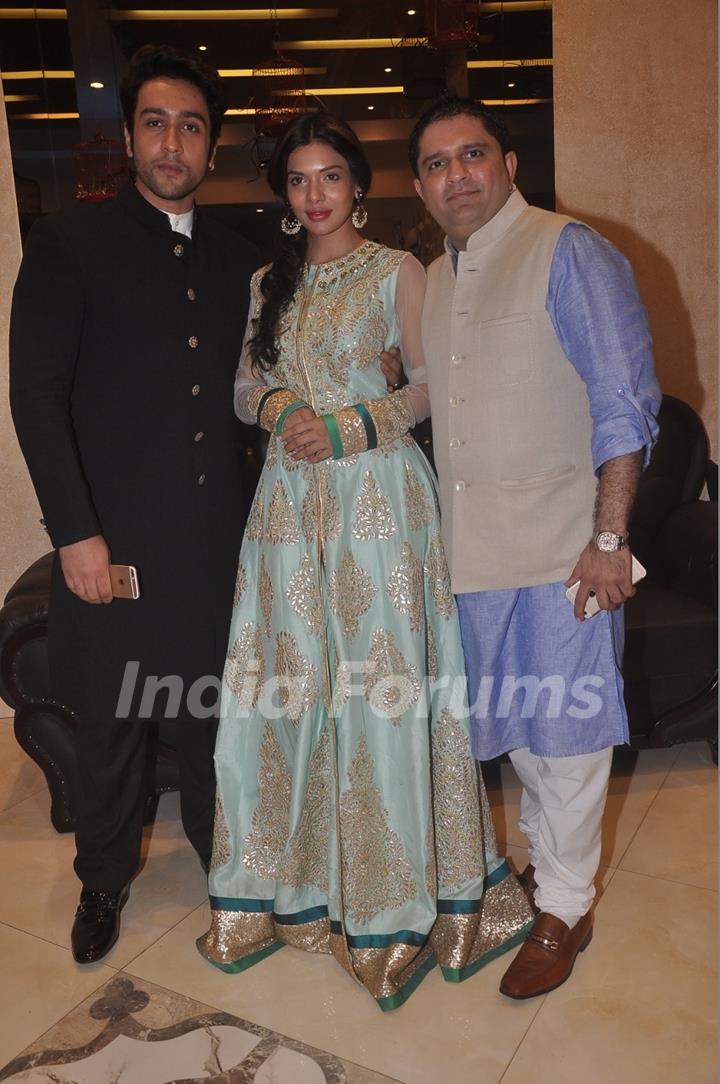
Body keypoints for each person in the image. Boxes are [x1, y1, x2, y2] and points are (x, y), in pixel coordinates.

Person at [197, 111, 533, 1011]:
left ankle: (395, 902)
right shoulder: (268, 281)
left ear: (359, 185)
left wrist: (345, 423)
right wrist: (278, 412)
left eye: (330, 177)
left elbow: (429, 386)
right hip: (286, 511)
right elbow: (239, 385)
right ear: (285, 195)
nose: (315, 195)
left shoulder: (399, 272)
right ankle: (292, 891)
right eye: (299, 181)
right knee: (289, 688)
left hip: (378, 503)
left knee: (380, 689)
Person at [409, 96, 661, 999]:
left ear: (507, 162)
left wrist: (608, 535)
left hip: (565, 550)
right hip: (474, 559)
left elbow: (625, 401)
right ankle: (548, 873)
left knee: (571, 738)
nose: (456, 176)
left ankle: (563, 906)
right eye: (437, 164)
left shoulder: (567, 249)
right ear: (421, 185)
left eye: (472, 155)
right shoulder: (439, 274)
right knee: (517, 735)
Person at [10, 45, 257, 964]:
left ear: (212, 145)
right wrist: (74, 532)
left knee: (209, 719)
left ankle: (226, 863)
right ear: (129, 135)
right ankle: (104, 880)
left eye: (192, 126)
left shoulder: (243, 259)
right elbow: (35, 397)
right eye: (156, 122)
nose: (172, 141)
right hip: (107, 546)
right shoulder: (72, 244)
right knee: (111, 727)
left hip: (212, 545)